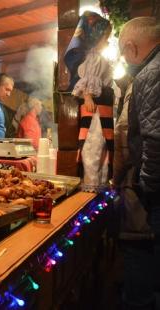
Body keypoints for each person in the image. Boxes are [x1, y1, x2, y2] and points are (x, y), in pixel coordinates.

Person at [118, 16, 160, 310]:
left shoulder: (151, 74)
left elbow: (156, 141)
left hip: (156, 198)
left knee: (142, 275)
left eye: (122, 52)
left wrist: (147, 188)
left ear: (131, 47)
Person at [64, 11, 113, 192]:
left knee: (101, 147)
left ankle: (99, 183)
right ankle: (92, 184)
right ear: (96, 36)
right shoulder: (92, 57)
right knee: (93, 145)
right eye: (105, 36)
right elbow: (86, 79)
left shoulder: (99, 58)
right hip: (95, 110)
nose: (107, 40)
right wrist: (87, 95)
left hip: (103, 107)